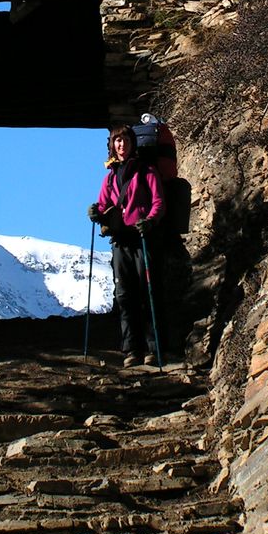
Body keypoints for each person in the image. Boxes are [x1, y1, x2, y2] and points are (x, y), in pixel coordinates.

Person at [88, 125, 166, 368]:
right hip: (120, 241)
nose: (121, 145)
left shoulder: (146, 170)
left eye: (125, 140)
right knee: (125, 295)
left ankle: (152, 348)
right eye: (117, 141)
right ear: (113, 145)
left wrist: (150, 221)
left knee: (147, 292)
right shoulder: (110, 176)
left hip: (142, 237)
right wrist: (96, 212)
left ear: (132, 144)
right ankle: (132, 349)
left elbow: (158, 201)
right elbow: (103, 204)